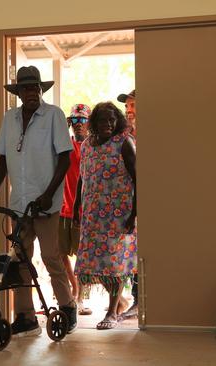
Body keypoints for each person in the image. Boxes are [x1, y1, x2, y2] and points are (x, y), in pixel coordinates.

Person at [0, 65, 77, 336]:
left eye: (35, 87)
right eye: (25, 88)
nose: (31, 92)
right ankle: (26, 315)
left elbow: (65, 158)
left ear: (41, 90)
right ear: (18, 93)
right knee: (20, 260)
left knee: (51, 257)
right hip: (19, 203)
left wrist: (47, 194)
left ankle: (67, 307)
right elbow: (4, 159)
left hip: (46, 203)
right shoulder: (10, 119)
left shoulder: (53, 115)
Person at [74, 102, 137, 330]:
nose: (107, 124)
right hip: (93, 215)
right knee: (92, 262)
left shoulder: (124, 143)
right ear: (94, 123)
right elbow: (82, 177)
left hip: (118, 216)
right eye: (102, 120)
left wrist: (134, 215)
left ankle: (111, 312)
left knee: (114, 264)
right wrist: (75, 206)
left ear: (117, 121)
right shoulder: (88, 145)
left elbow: (138, 179)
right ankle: (119, 301)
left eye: (111, 120)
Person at [58, 103, 93, 316]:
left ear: (89, 123)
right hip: (64, 208)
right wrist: (64, 126)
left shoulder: (92, 147)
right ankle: (73, 287)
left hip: (84, 211)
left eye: (82, 120)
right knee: (60, 253)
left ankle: (81, 296)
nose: (79, 125)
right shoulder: (65, 145)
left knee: (83, 255)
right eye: (75, 121)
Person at [116, 89, 139, 319]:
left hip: (152, 200)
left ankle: (140, 300)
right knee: (130, 253)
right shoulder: (124, 138)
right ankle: (131, 300)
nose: (129, 111)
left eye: (133, 106)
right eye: (128, 107)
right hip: (128, 202)